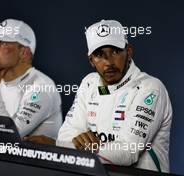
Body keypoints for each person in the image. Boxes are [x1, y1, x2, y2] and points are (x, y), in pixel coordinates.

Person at [26, 20, 173, 173]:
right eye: (99, 55)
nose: (108, 62)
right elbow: (68, 134)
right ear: (91, 60)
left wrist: (59, 147)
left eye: (115, 52)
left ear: (128, 52)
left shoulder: (150, 88)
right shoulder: (89, 83)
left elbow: (128, 152)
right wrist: (74, 143)